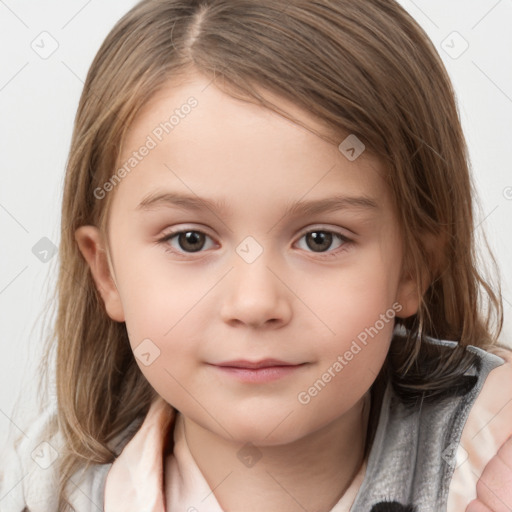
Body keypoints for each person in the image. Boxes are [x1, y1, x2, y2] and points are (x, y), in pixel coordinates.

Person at [1, 1, 511, 511]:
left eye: (320, 239)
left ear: (412, 267)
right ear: (106, 271)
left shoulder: (494, 466)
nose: (254, 303)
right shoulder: (43, 492)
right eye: (190, 240)